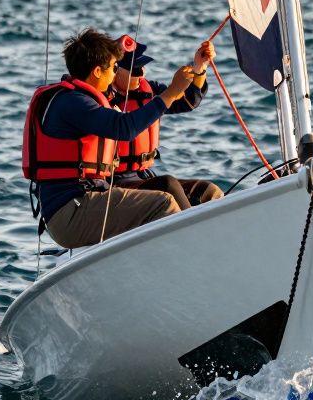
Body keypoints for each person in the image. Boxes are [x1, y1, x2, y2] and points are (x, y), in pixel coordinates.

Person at [21, 29, 204, 249]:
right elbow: (123, 128)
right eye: (114, 68)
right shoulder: (73, 103)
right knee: (162, 203)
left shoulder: (85, 98)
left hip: (88, 200)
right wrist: (171, 92)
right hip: (71, 212)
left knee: (205, 193)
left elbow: (182, 103)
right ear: (98, 71)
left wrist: (197, 72)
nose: (115, 74)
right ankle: (196, 254)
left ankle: (211, 242)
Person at [106, 35, 223, 209]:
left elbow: (187, 101)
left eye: (143, 67)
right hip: (114, 183)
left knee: (207, 191)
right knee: (167, 186)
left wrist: (199, 67)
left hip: (143, 175)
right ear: (115, 70)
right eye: (135, 70)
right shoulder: (101, 100)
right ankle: (194, 228)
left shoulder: (150, 90)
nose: (142, 73)